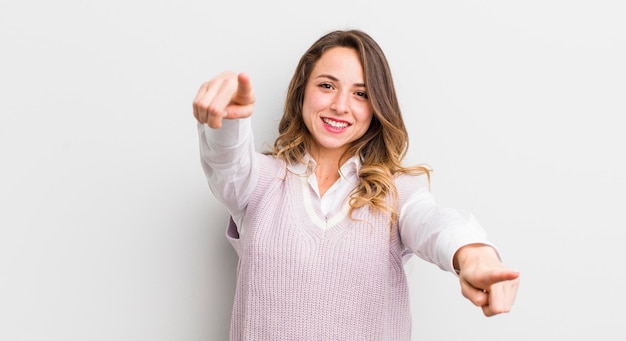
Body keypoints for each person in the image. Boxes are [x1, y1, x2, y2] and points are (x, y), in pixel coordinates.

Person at [192, 29, 520, 340]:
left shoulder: (397, 194)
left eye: (360, 93)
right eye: (327, 86)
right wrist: (228, 122)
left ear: (376, 107)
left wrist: (474, 255)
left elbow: (436, 224)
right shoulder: (257, 183)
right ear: (302, 90)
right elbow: (226, 161)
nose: (340, 105)